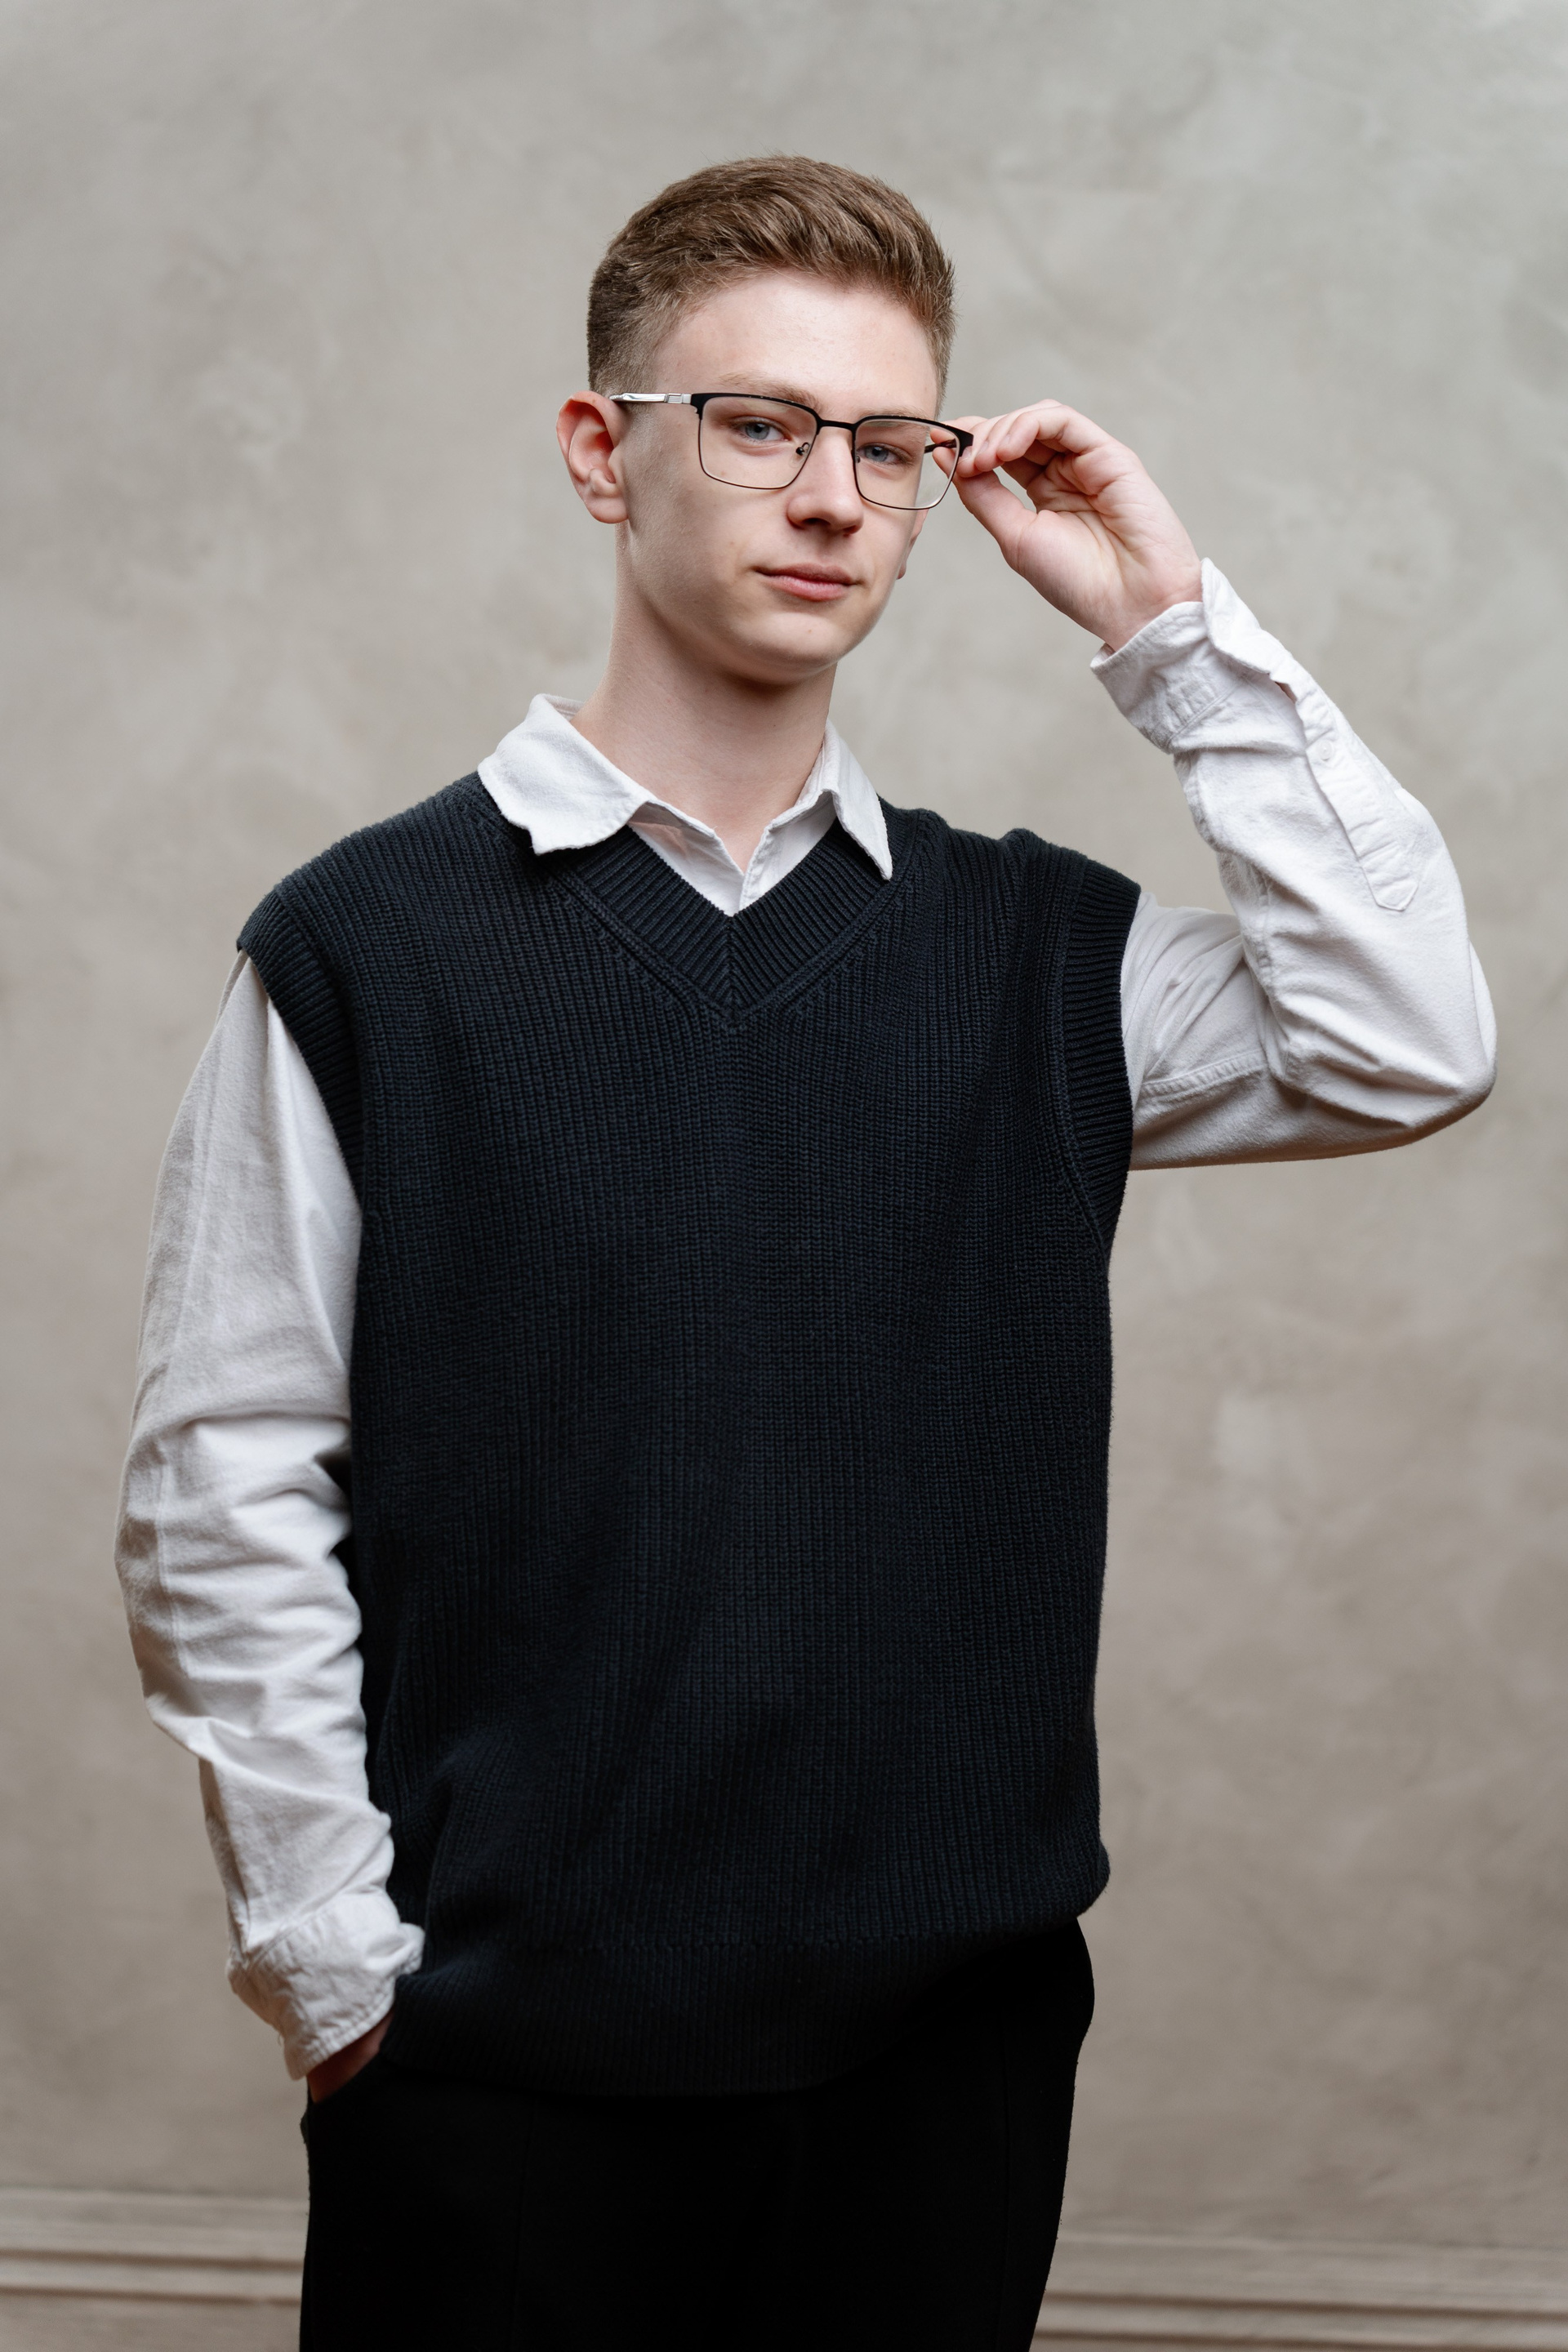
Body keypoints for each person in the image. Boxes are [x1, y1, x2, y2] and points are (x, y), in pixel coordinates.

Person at [115, 157, 1495, 2352]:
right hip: (494, 2065)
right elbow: (224, 1480)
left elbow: (1410, 1033)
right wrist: (338, 1977)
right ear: (605, 452)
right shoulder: (369, 947)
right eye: (760, 425)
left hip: (943, 2068)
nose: (835, 496)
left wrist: (1167, 630)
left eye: (889, 442)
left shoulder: (1038, 956)